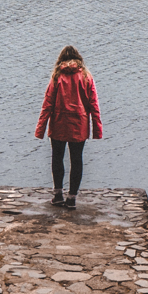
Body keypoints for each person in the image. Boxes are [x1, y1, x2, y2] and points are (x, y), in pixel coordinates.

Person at [34, 45, 103, 209]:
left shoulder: (57, 76)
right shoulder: (86, 76)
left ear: (61, 60)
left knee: (57, 158)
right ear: (79, 59)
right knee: (76, 160)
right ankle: (71, 198)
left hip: (59, 123)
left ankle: (58, 195)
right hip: (79, 124)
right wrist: (97, 129)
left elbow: (47, 104)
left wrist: (41, 129)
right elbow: (94, 105)